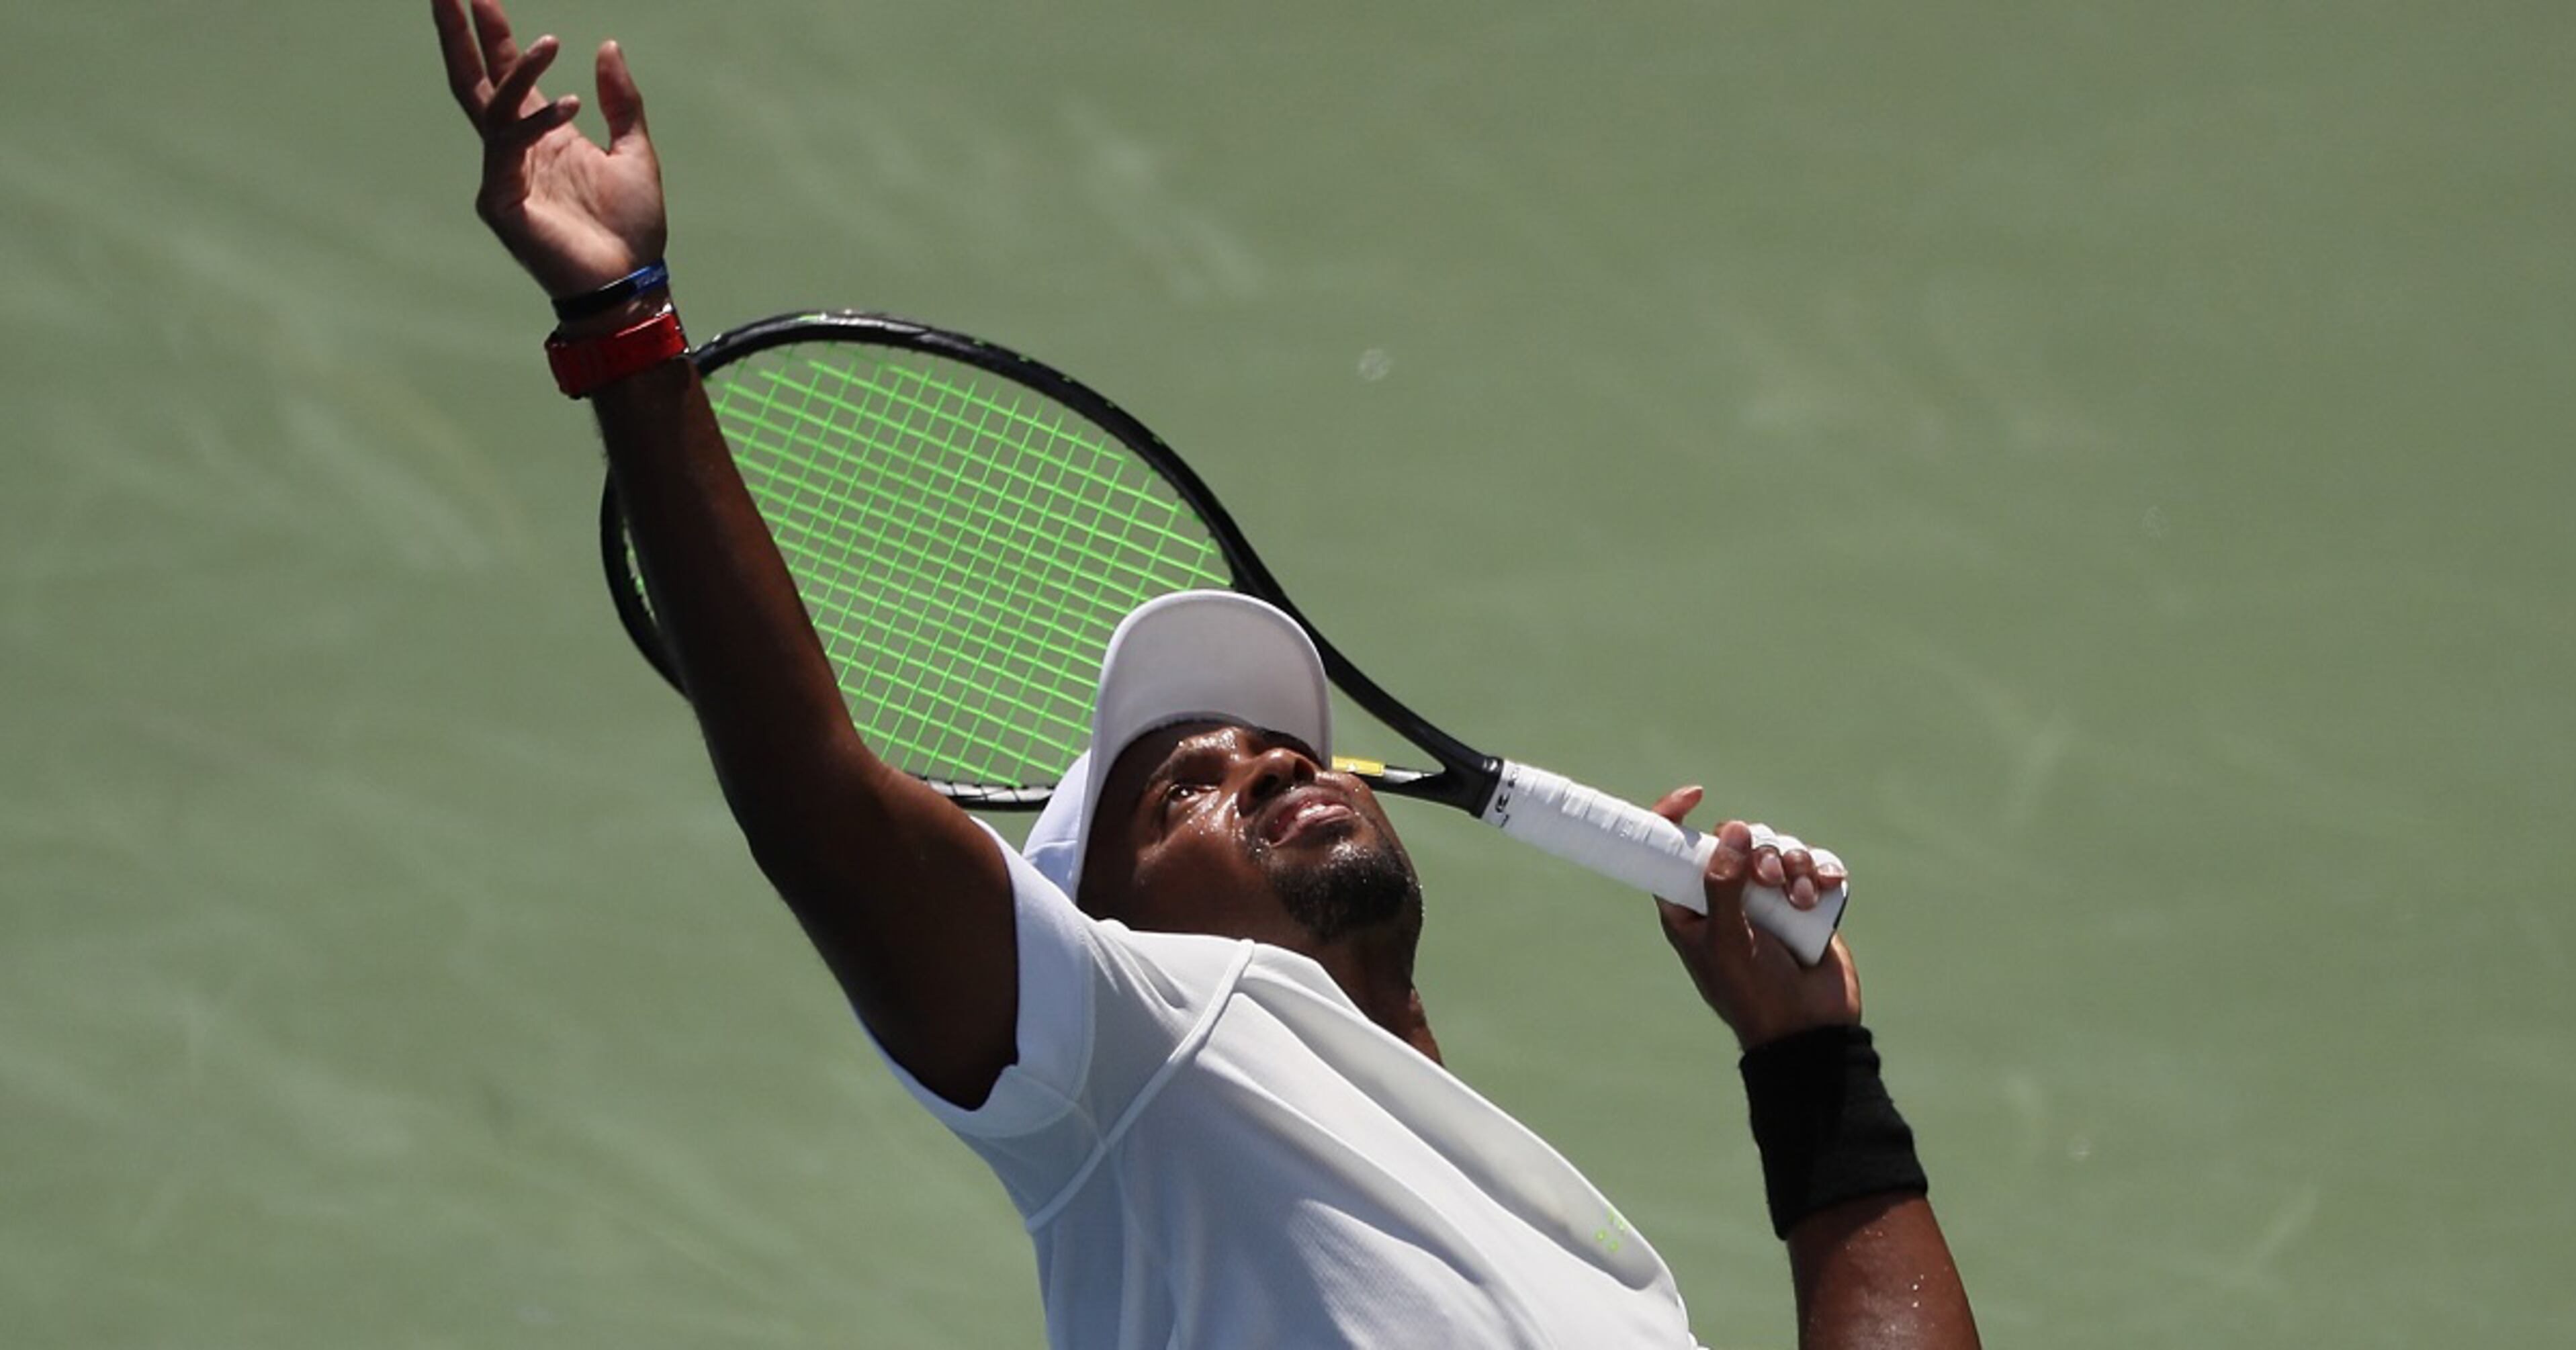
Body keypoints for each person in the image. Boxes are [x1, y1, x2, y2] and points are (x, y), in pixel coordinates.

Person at [431, 2, 1981, 1344]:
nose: (1268, 763)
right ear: (1088, 928)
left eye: (1269, 748)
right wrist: (625, 328)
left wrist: (1811, 1062)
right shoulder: (1127, 1049)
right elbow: (821, 808)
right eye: (1181, 785)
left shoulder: (1610, 1292)